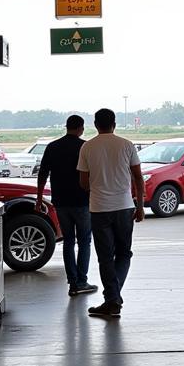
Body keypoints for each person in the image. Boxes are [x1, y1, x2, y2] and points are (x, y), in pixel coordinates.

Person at [77, 108, 144, 318]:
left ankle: (112, 299)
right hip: (125, 207)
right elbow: (138, 178)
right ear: (114, 124)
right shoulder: (126, 144)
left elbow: (84, 182)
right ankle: (113, 298)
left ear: (95, 125)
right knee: (124, 253)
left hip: (99, 209)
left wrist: (99, 187)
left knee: (105, 257)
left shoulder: (87, 147)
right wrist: (140, 205)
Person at [37, 115, 96, 297]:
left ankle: (72, 283)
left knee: (68, 241)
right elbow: (93, 174)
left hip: (61, 202)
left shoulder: (53, 147)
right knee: (84, 240)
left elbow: (42, 173)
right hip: (83, 201)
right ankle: (82, 281)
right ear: (81, 128)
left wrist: (39, 199)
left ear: (67, 127)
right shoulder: (85, 147)